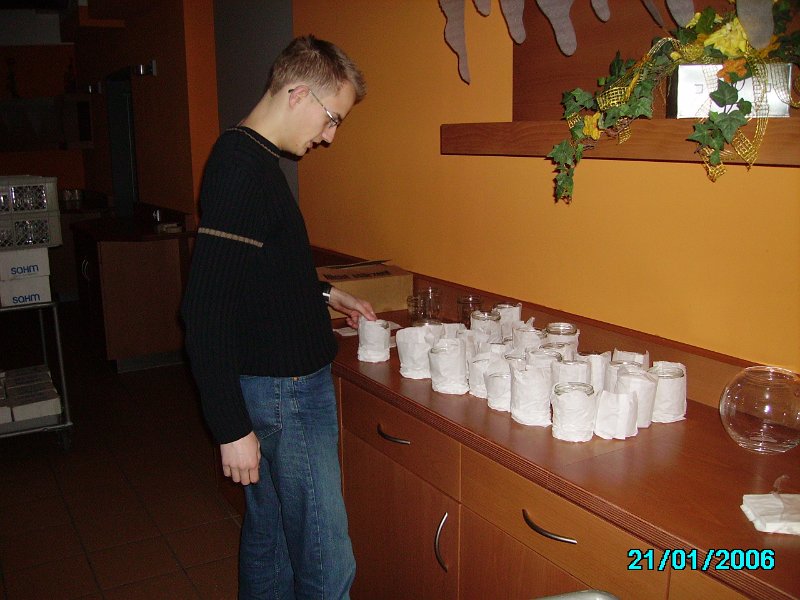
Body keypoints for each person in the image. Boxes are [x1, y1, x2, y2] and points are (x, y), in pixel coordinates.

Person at [181, 35, 376, 600]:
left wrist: (326, 293)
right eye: (332, 118)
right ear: (298, 95)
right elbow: (204, 307)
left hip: (272, 386)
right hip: (284, 394)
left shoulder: (252, 159)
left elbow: (259, 272)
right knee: (325, 558)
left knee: (271, 540)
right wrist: (230, 428)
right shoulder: (243, 169)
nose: (330, 137)